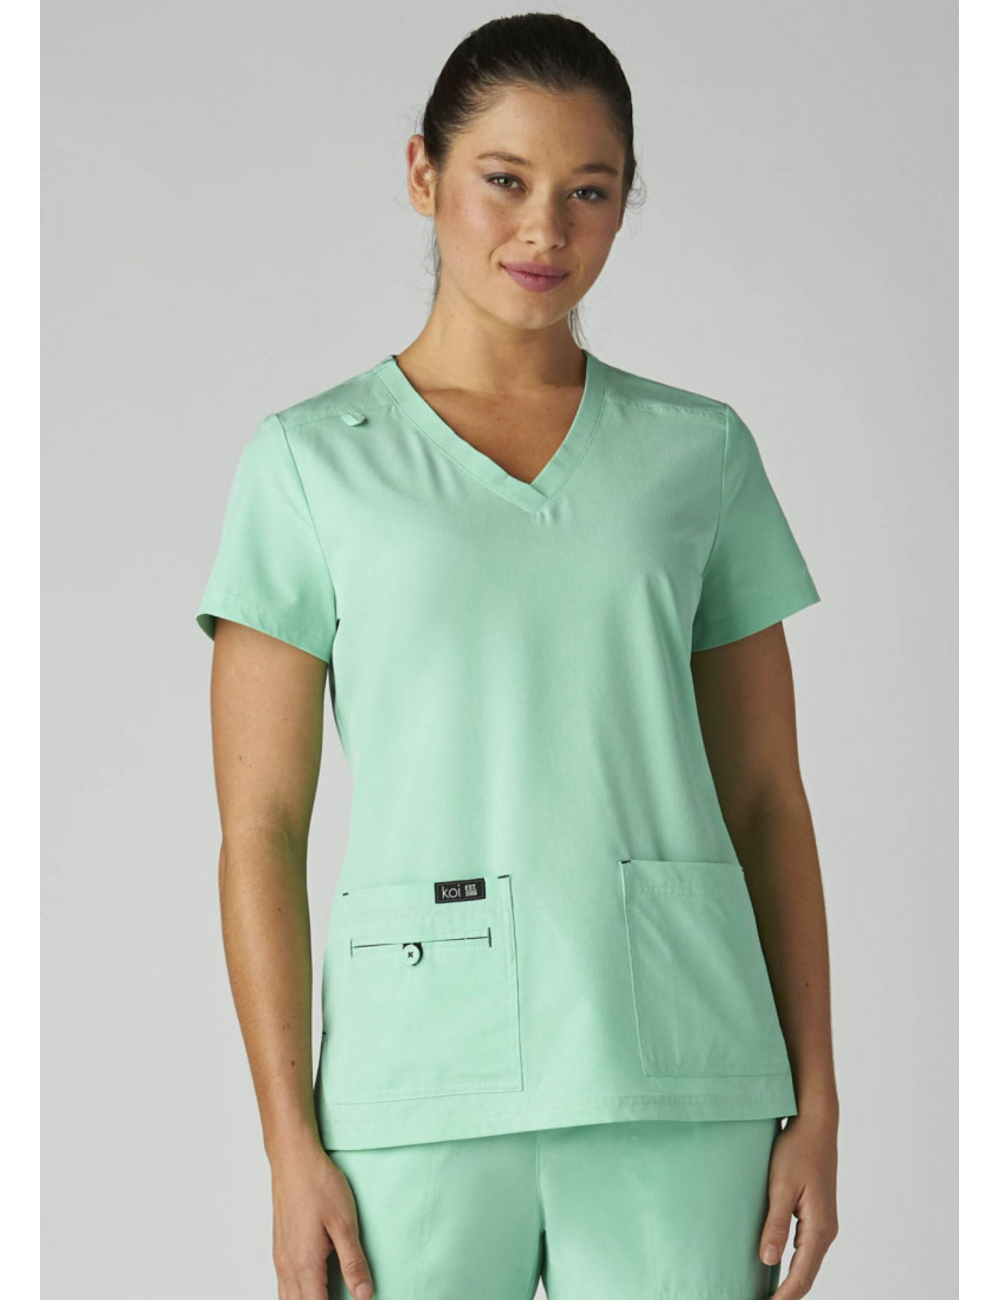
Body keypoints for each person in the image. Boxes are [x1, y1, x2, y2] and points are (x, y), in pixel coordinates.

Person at [195, 13, 839, 1300]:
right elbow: (261, 827)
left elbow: (769, 798)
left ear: (623, 201)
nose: (545, 229)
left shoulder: (698, 454)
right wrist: (286, 1144)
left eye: (588, 191)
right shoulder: (311, 463)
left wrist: (816, 1102)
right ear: (424, 173)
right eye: (505, 179)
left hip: (681, 1070)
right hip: (414, 1088)